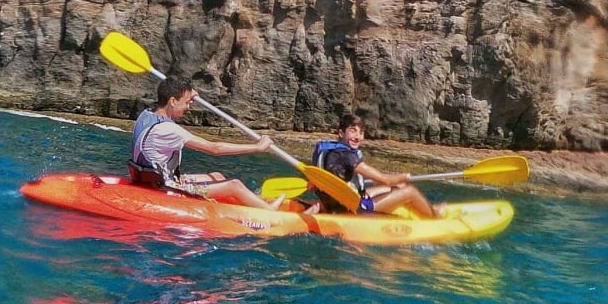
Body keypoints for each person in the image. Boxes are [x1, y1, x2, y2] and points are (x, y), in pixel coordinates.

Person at [130, 77, 281, 209]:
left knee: (217, 176)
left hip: (155, 179)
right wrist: (257, 147)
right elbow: (214, 148)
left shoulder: (146, 114)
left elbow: (171, 97)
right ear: (173, 101)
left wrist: (188, 93)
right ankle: (271, 212)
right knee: (234, 185)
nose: (189, 107)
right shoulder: (168, 129)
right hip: (166, 188)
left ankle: (253, 203)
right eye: (187, 102)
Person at [311, 113, 439, 218]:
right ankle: (436, 220)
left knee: (399, 186)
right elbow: (385, 179)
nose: (358, 137)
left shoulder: (325, 149)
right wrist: (404, 175)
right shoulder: (347, 155)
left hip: (338, 203)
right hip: (353, 208)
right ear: (341, 133)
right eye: (353, 131)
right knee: (410, 191)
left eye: (361, 132)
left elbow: (316, 183)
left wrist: (395, 181)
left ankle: (429, 209)